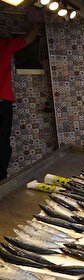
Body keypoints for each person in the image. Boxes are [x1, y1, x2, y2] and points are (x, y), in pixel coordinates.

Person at [1, 25, 40, 180]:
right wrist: (36, 23)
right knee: (2, 143)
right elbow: (28, 39)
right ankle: (1, 179)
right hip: (2, 104)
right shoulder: (3, 45)